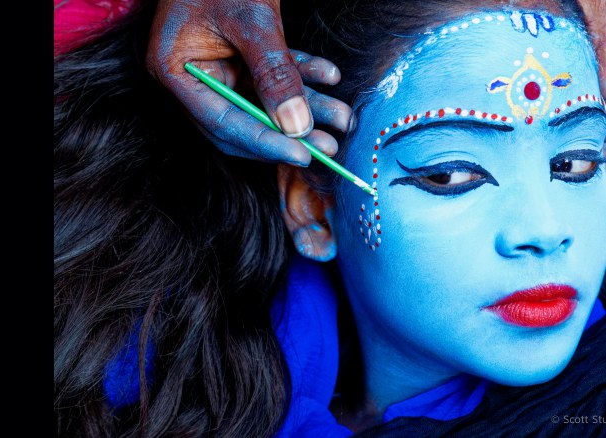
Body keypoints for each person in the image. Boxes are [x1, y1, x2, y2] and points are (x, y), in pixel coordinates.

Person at [54, 0, 606, 436]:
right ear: (313, 209)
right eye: (450, 174)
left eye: (577, 163)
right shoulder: (156, 374)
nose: (546, 230)